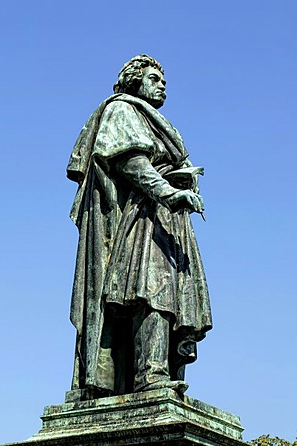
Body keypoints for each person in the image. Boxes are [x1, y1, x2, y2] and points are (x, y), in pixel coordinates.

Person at [67, 54, 212, 400]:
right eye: (153, 78)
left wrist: (183, 187)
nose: (161, 84)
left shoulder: (158, 122)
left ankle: (162, 370)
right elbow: (131, 162)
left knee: (175, 298)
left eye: (163, 80)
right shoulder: (122, 109)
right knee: (152, 292)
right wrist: (170, 192)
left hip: (169, 220)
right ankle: (150, 374)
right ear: (134, 81)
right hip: (144, 216)